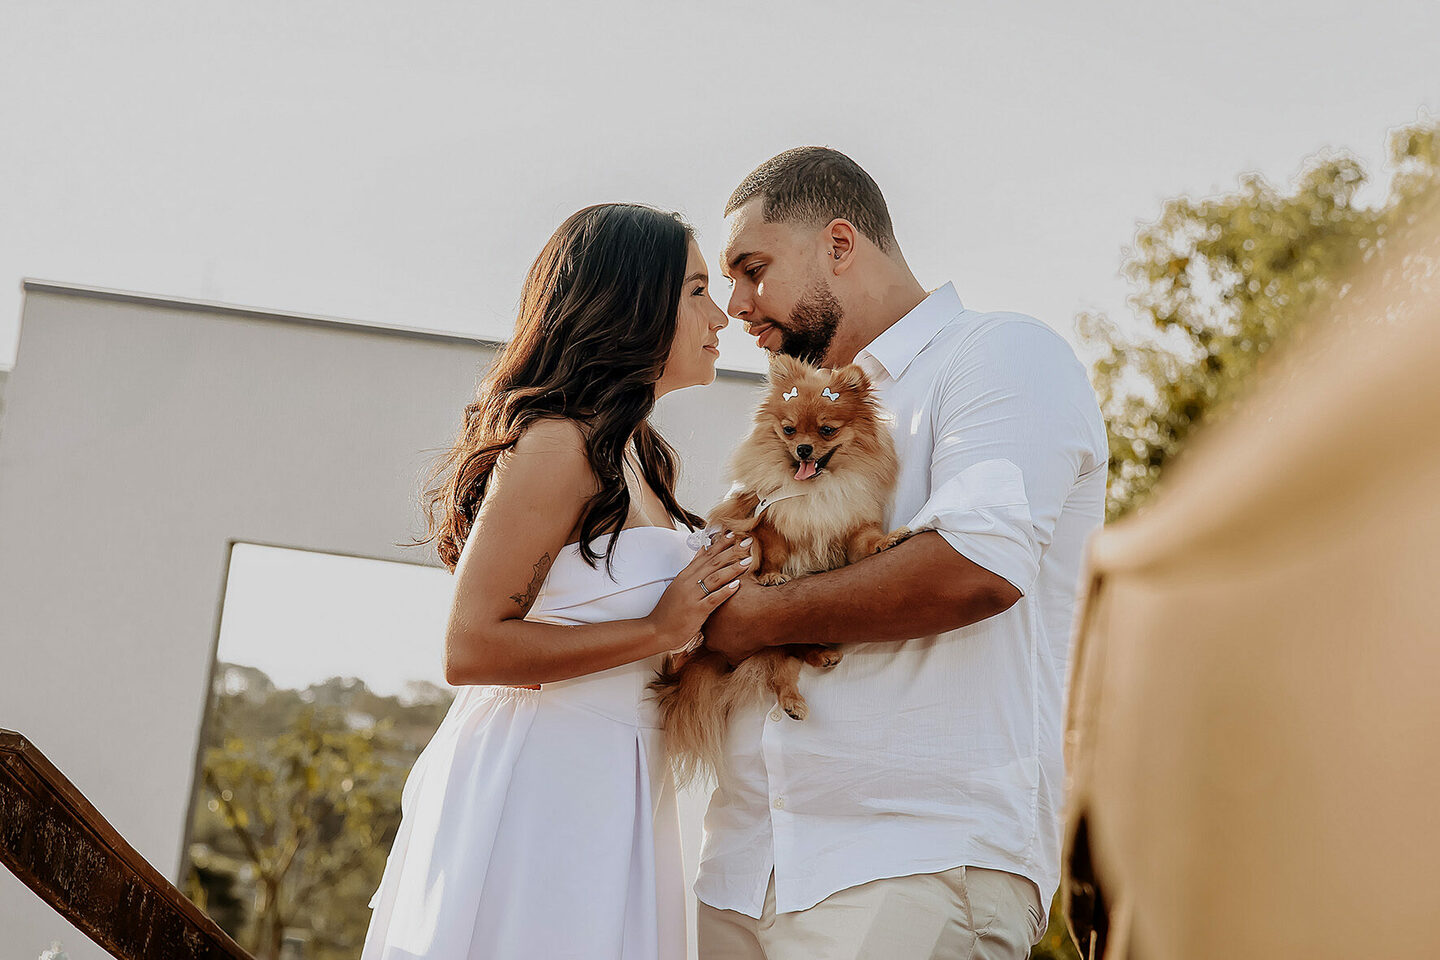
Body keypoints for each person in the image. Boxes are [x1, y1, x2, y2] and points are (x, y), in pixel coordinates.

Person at [694, 148, 1109, 960]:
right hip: (739, 871)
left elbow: (973, 568)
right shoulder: (794, 420)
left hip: (912, 866)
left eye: (753, 268)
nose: (735, 304)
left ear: (840, 245)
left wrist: (749, 623)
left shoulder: (998, 356)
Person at [360, 202, 744, 960]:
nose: (723, 317)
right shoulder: (557, 445)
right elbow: (470, 648)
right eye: (698, 291)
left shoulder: (640, 459)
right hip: (542, 787)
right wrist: (659, 630)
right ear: (633, 300)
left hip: (621, 781)